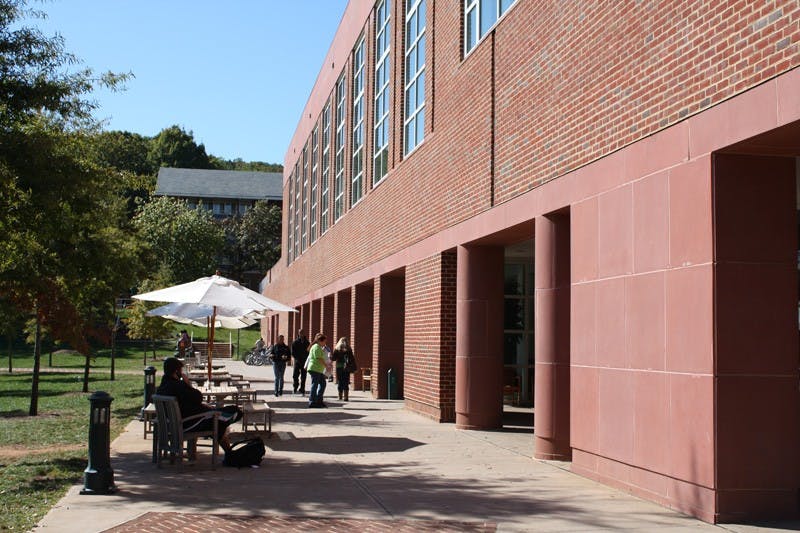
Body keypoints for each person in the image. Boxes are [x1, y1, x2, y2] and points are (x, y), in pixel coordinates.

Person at [155, 357, 241, 453]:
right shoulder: (179, 385)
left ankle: (229, 451)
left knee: (218, 421)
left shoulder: (162, 387)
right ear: (176, 371)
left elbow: (189, 401)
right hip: (189, 423)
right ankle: (230, 453)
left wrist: (202, 405)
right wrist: (188, 384)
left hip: (172, 424)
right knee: (233, 412)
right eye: (180, 370)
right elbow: (198, 397)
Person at [305, 333, 331, 408]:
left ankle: (319, 400)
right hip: (315, 368)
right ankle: (312, 401)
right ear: (320, 341)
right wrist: (326, 366)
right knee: (315, 385)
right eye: (324, 342)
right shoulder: (316, 347)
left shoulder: (319, 347)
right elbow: (319, 358)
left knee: (322, 384)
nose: (325, 343)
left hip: (318, 369)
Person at [331, 337, 356, 401]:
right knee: (346, 381)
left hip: (339, 367)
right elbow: (352, 359)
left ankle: (340, 396)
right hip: (346, 367)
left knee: (340, 381)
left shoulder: (337, 349)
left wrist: (329, 356)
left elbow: (333, 358)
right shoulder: (349, 349)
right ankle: (346, 397)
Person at [291, 329, 310, 394]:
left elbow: (309, 352)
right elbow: (293, 352)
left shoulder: (307, 343)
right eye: (300, 333)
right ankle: (295, 386)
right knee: (295, 375)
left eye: (303, 332)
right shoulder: (295, 342)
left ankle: (302, 389)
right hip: (297, 361)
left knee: (303, 376)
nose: (301, 334)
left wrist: (306, 359)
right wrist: (297, 358)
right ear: (298, 333)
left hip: (304, 362)